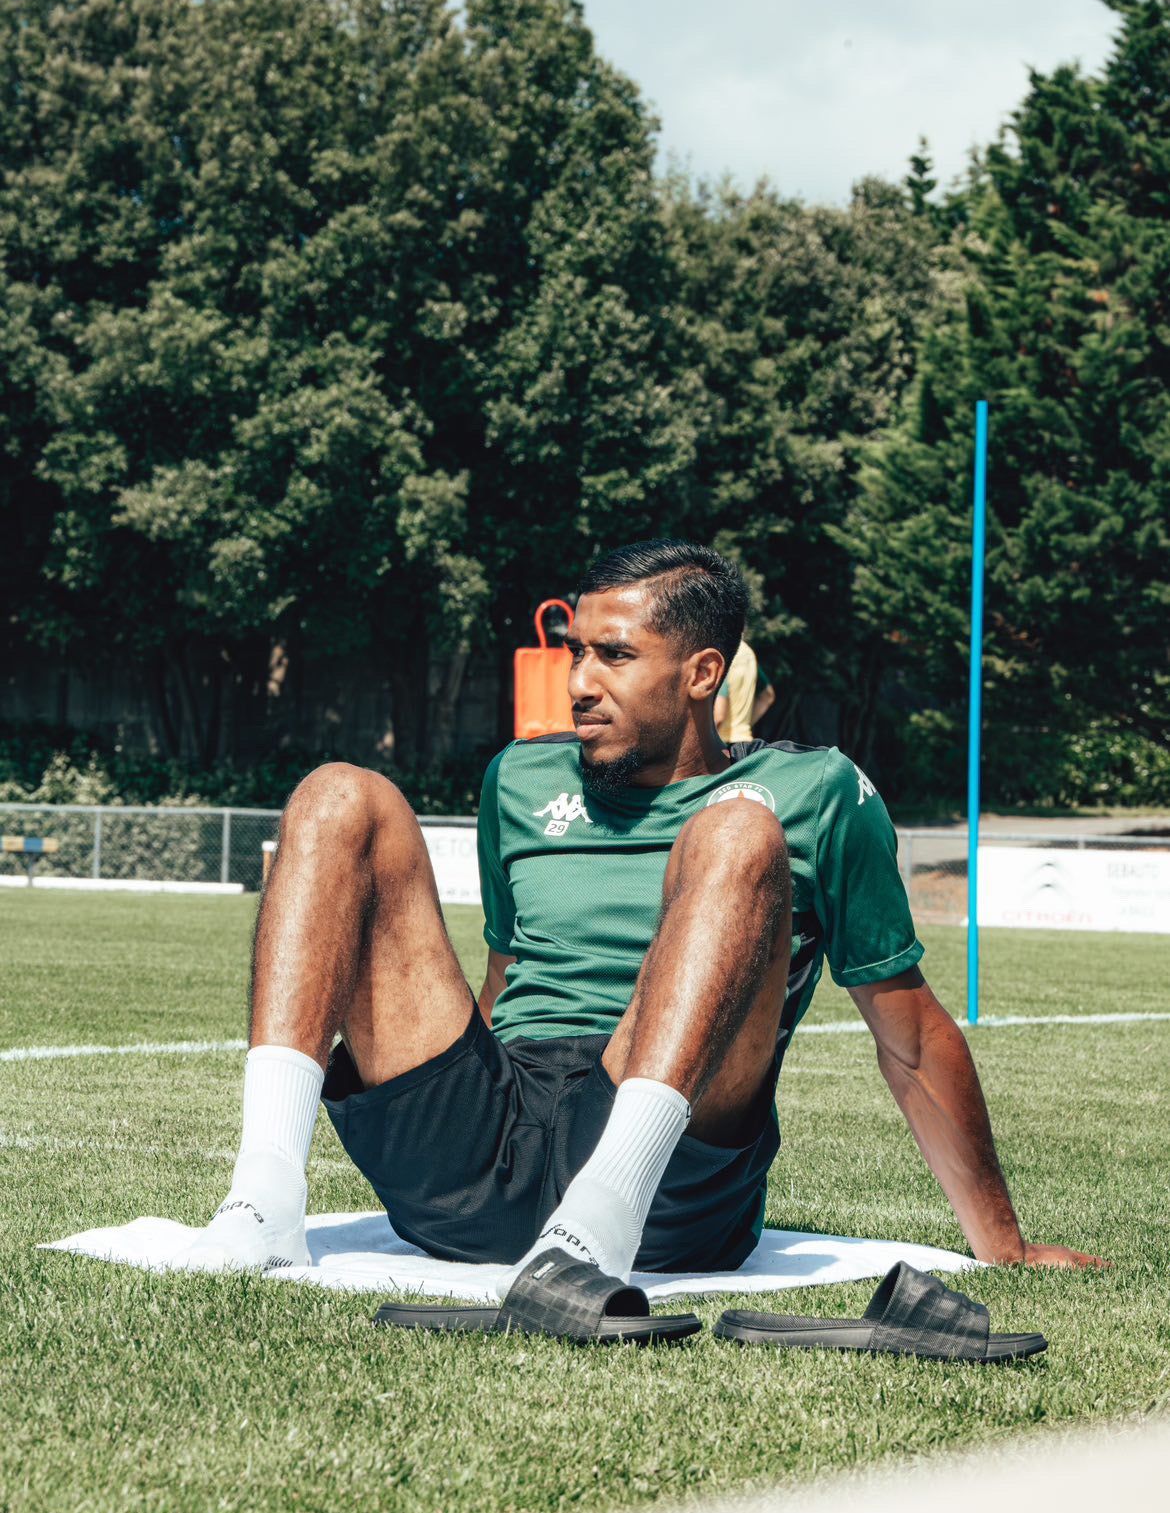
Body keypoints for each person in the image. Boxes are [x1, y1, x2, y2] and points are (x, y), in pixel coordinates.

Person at [184, 540, 1102, 1300]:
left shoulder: (817, 791)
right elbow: (503, 980)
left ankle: (597, 1226)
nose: (580, 682)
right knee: (336, 794)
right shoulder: (519, 776)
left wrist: (1004, 1242)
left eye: (614, 656)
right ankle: (263, 1203)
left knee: (738, 829)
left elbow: (911, 1036)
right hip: (486, 1148)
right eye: (576, 652)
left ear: (702, 673)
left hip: (668, 1180)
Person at [713, 638, 775, 743]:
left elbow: (719, 716)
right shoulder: (748, 654)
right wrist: (743, 727)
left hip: (723, 742)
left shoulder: (723, 653)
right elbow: (768, 695)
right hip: (744, 740)